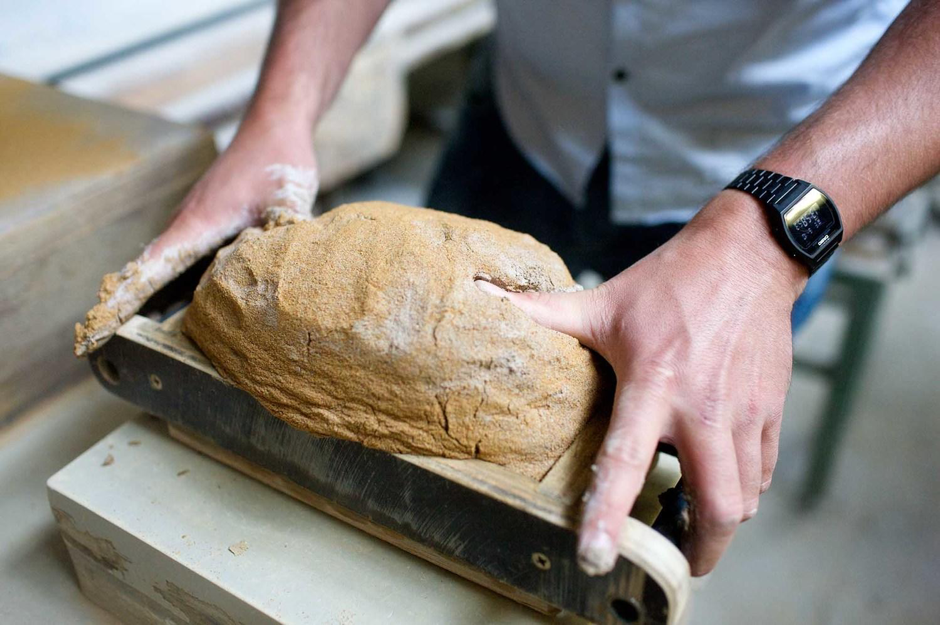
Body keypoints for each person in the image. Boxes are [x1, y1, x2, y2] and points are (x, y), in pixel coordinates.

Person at [75, 0, 940, 578]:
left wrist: (767, 238)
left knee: (654, 450)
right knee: (438, 358)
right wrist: (283, 107)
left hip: (789, 158)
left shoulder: (776, 212)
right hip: (526, 114)